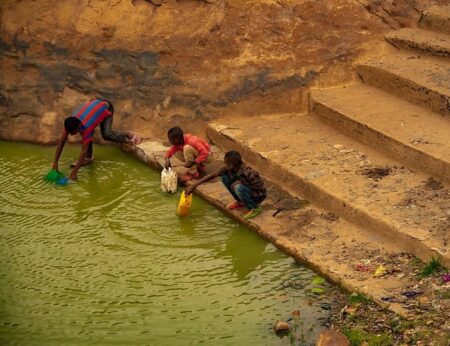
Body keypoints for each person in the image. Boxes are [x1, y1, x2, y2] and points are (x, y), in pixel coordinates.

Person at [51, 98, 141, 180]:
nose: (71, 135)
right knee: (87, 137)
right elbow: (61, 142)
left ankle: (128, 135)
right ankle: (89, 157)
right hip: (95, 105)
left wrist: (74, 173)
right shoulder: (71, 122)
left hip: (106, 107)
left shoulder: (86, 127)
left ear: (78, 126)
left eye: (73, 132)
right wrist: (55, 163)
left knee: (106, 134)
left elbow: (83, 151)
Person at [185, 151, 266, 220]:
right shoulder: (229, 168)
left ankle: (254, 208)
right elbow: (213, 175)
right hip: (245, 189)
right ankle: (240, 201)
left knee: (238, 187)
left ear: (231, 165)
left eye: (226, 163)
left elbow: (261, 189)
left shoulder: (247, 172)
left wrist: (240, 183)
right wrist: (193, 186)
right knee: (224, 178)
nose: (225, 165)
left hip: (257, 195)